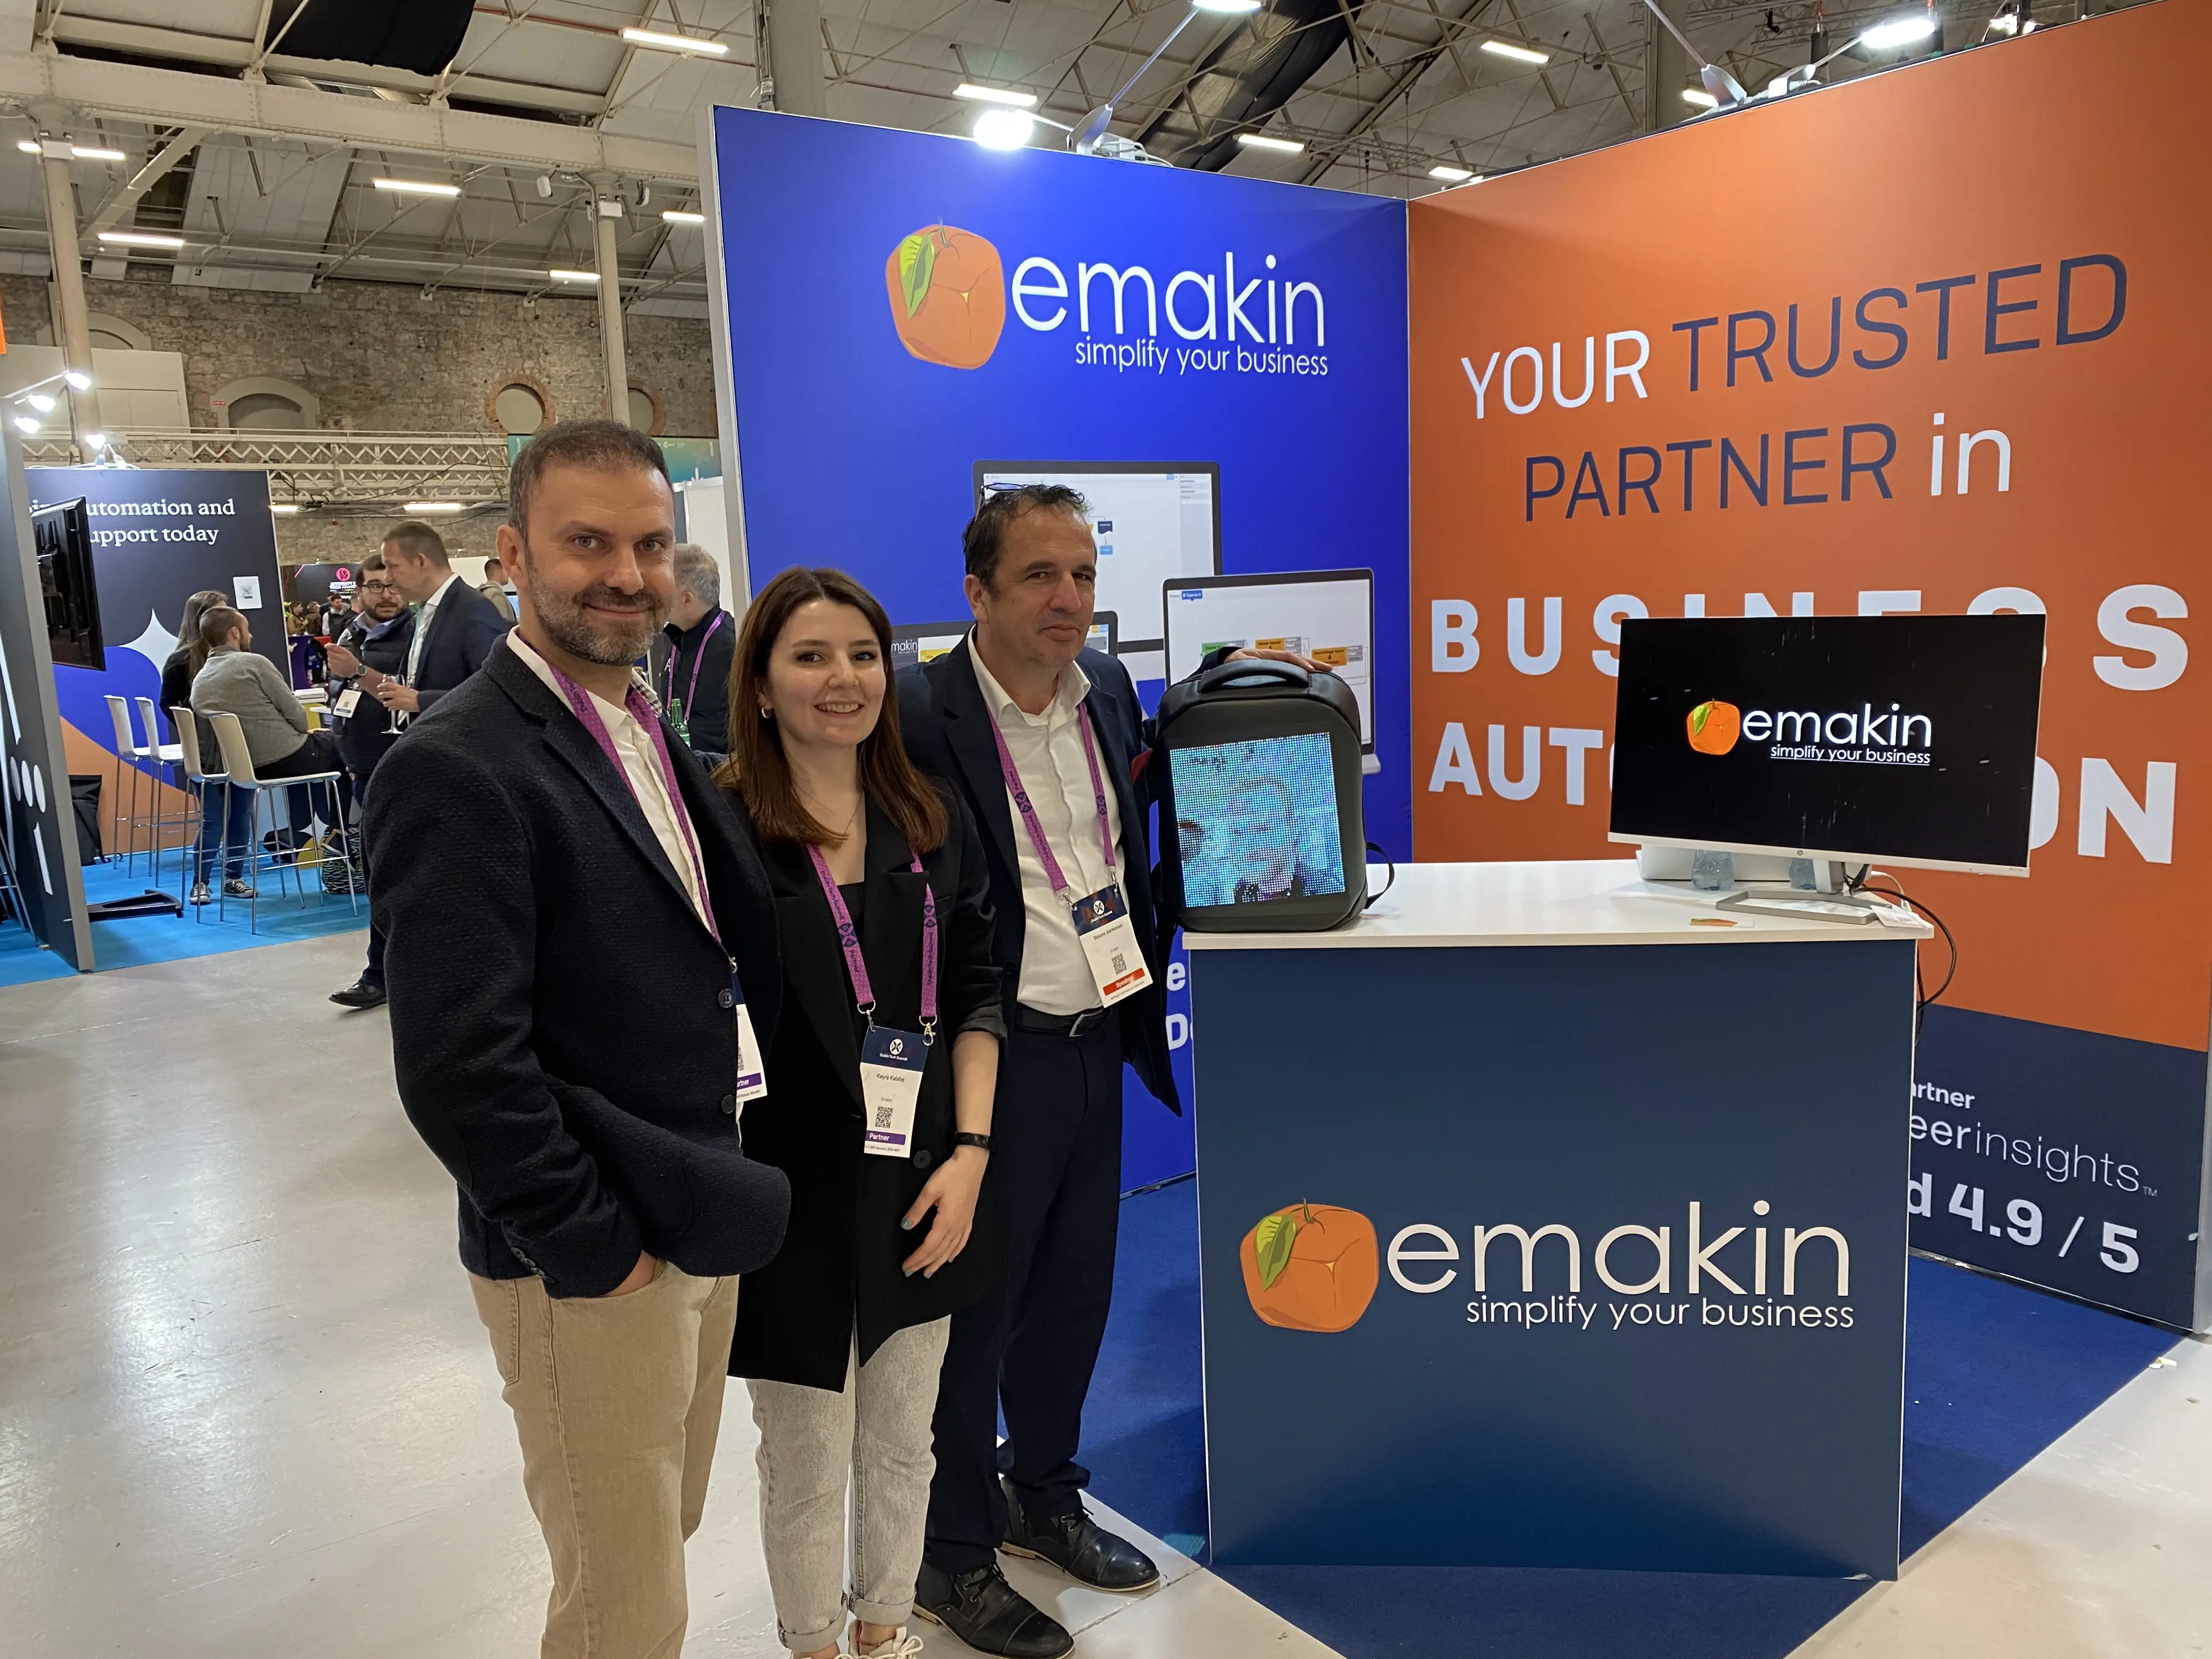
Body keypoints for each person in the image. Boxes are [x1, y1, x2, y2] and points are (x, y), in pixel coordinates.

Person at [366, 418, 791, 1659]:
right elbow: (458, 1070)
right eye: (587, 543)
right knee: (623, 1610)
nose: (625, 573)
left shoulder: (638, 718)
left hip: (686, 1201)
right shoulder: (460, 764)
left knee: (661, 1536)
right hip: (591, 1253)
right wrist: (595, 1252)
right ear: (512, 555)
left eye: (651, 545)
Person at [898, 485, 1319, 1657]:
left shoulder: (1114, 691)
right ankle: (950, 1555)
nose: (1068, 599)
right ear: (977, 593)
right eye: (1039, 576)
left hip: (1100, 1042)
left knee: (1074, 1297)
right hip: (987, 1067)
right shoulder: (918, 709)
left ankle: (1042, 1492)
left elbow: (1139, 858)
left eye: (1081, 575)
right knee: (971, 1322)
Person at [718, 566, 1006, 1659]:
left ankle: (885, 1632)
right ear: (760, 685)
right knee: (804, 1455)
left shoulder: (925, 818)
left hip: (923, 1179)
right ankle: (813, 1643)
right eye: (809, 656)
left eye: (862, 655)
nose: (843, 679)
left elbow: (978, 989)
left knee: (903, 1442)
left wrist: (973, 1151)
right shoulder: (726, 828)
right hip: (785, 1194)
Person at [329, 520, 509, 1010]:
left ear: (421, 562)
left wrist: (421, 699)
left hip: (465, 773)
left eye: (391, 566)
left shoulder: (473, 614)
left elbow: (503, 692)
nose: (387, 580)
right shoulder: (429, 614)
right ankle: (388, 973)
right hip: (422, 763)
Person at [189, 604, 350, 873]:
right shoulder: (254, 663)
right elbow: (298, 716)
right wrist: (299, 733)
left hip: (246, 767)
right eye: (247, 629)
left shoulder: (201, 679)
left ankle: (303, 836)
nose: (250, 635)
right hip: (286, 758)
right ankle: (341, 835)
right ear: (234, 633)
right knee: (344, 747)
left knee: (318, 752)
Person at [323, 554, 415, 830]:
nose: (387, 595)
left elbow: (412, 695)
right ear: (360, 592)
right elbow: (339, 692)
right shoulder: (349, 634)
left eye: (394, 586)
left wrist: (359, 671)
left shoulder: (418, 635)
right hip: (359, 762)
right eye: (376, 586)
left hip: (403, 765)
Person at [176, 603, 257, 905]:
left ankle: (233, 877)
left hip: (239, 752)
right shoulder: (189, 666)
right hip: (209, 756)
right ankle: (201, 882)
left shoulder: (248, 664)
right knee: (213, 820)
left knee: (240, 816)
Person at [650, 543, 736, 765]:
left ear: (686, 598)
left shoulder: (735, 645)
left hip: (726, 781)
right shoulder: (676, 639)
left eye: (664, 587)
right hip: (684, 772)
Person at [160, 588, 230, 746]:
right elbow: (167, 701)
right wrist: (193, 728)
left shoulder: (232, 654)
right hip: (209, 742)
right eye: (222, 614)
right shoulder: (181, 660)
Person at [477, 555, 518, 623]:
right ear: (498, 573)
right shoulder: (496, 594)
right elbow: (502, 625)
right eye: (506, 570)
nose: (508, 574)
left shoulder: (484, 592)